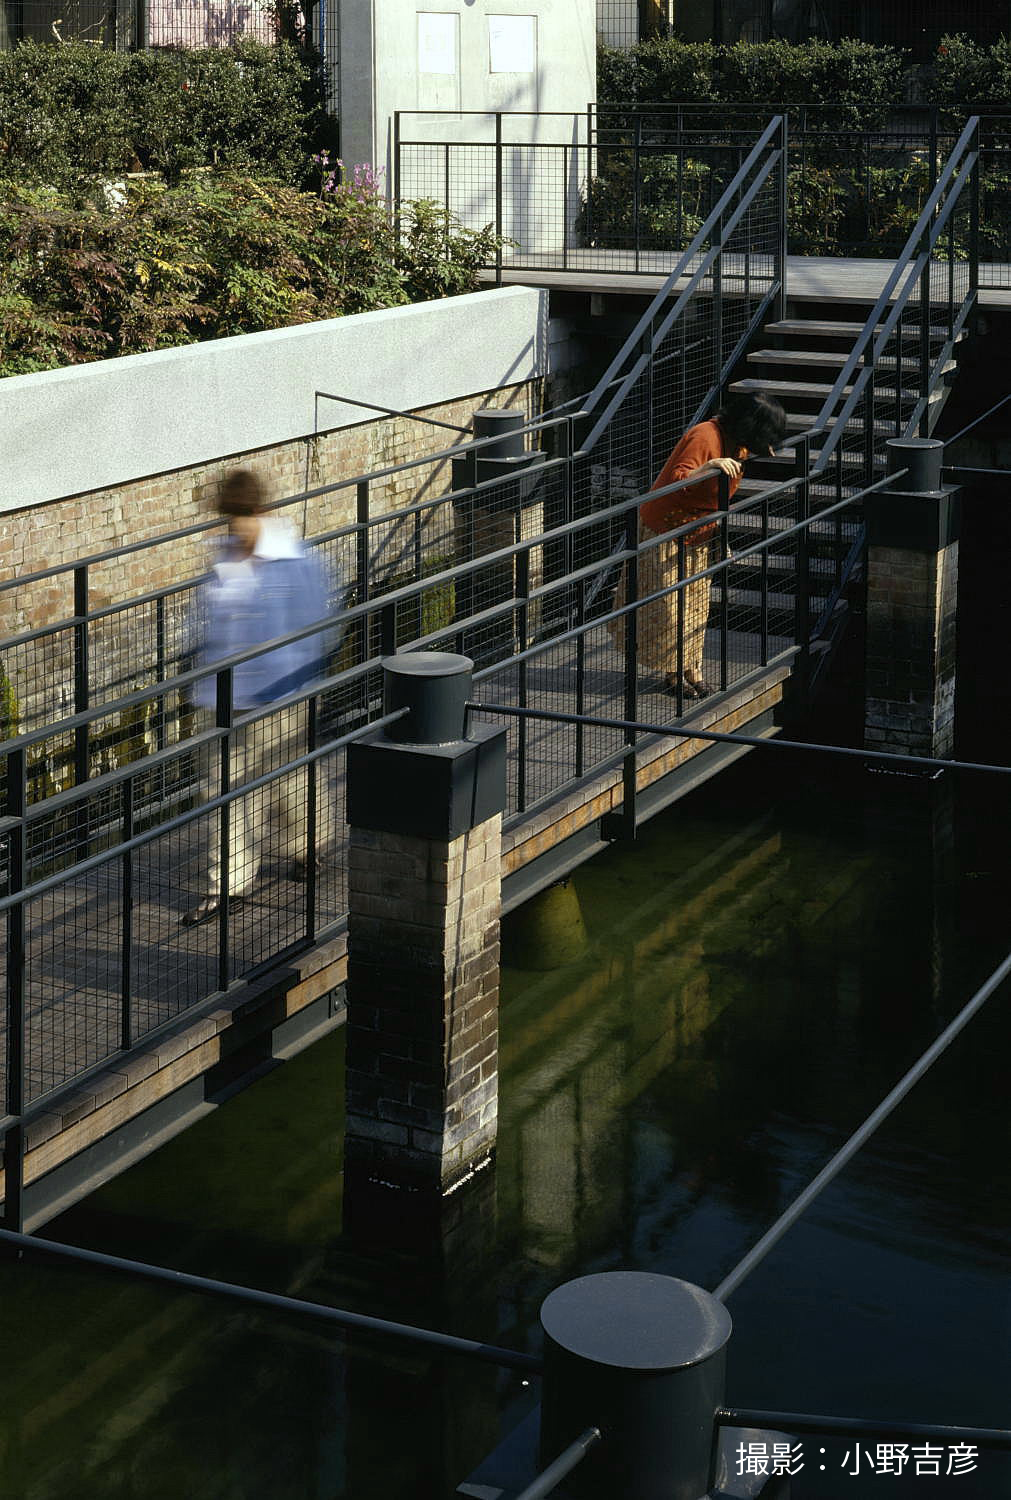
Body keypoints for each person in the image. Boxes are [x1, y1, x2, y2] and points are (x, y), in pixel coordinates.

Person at [181, 469, 336, 926]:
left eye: (239, 518)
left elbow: (321, 624)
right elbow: (204, 621)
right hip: (222, 696)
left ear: (259, 513)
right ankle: (227, 885)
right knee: (221, 789)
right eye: (228, 519)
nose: (233, 528)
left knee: (286, 782)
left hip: (280, 693)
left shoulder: (295, 560)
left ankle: (306, 845)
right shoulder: (221, 560)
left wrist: (300, 676)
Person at [610, 390, 787, 699]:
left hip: (699, 533)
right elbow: (680, 478)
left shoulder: (738, 444)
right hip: (667, 531)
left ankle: (693, 669)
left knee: (695, 607)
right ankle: (674, 674)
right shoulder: (705, 436)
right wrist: (709, 466)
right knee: (671, 608)